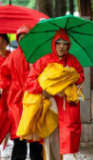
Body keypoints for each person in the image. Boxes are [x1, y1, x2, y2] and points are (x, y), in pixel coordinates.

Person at [25, 28, 85, 159]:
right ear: (54, 44)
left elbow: (80, 78)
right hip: (49, 107)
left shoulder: (73, 61)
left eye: (65, 44)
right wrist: (43, 90)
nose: (61, 47)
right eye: (59, 43)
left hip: (67, 108)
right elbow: (30, 81)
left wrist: (69, 79)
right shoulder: (44, 60)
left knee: (66, 141)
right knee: (50, 140)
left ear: (69, 45)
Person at [0, 24, 43, 160]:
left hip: (33, 97)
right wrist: (4, 86)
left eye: (26, 37)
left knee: (35, 133)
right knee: (19, 133)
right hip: (16, 99)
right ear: (18, 40)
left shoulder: (37, 55)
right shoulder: (13, 56)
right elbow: (4, 74)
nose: (24, 40)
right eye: (21, 37)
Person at [0, 34, 10, 146]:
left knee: (9, 119)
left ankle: (5, 145)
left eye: (3, 41)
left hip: (11, 93)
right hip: (1, 93)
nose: (0, 44)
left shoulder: (11, 56)